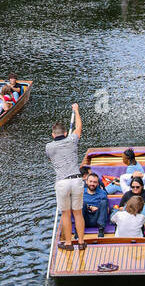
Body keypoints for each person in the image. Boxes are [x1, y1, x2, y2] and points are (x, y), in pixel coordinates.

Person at [46, 103, 85, 252]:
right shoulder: (72, 140)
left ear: (53, 134)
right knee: (78, 212)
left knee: (66, 213)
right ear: (65, 132)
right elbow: (79, 127)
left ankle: (68, 243)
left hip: (62, 182)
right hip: (76, 180)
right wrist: (76, 111)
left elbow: (51, 159)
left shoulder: (49, 147)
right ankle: (81, 242)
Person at [82, 168, 109, 236]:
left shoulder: (102, 193)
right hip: (84, 218)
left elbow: (106, 209)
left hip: (97, 218)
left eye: (94, 182)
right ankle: (78, 231)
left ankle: (101, 230)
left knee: (104, 202)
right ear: (86, 182)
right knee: (82, 203)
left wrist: (99, 208)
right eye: (90, 181)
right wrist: (90, 207)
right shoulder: (81, 192)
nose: (92, 184)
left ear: (97, 183)